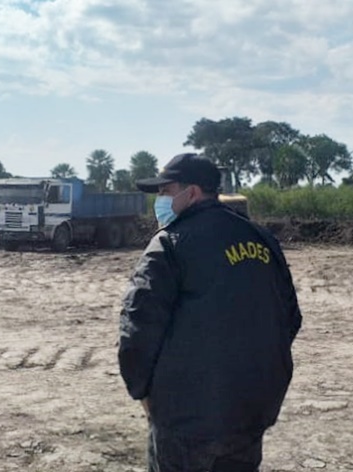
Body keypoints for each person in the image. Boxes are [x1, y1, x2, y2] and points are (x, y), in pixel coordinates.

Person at [118, 153, 302, 472]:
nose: (160, 201)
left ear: (191, 193)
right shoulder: (261, 239)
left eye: (165, 191)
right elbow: (290, 319)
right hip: (250, 413)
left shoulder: (169, 244)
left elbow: (139, 327)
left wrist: (143, 393)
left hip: (187, 421)